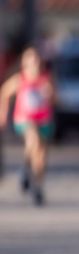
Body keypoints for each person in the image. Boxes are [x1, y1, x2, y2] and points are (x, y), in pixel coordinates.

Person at [0, 47, 54, 206]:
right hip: (24, 119)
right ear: (24, 62)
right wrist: (3, 113)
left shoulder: (47, 79)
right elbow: (4, 93)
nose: (34, 63)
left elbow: (56, 98)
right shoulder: (19, 79)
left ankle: (37, 186)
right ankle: (24, 168)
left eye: (36, 59)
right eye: (30, 59)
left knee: (41, 157)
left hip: (44, 120)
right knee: (33, 137)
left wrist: (50, 94)